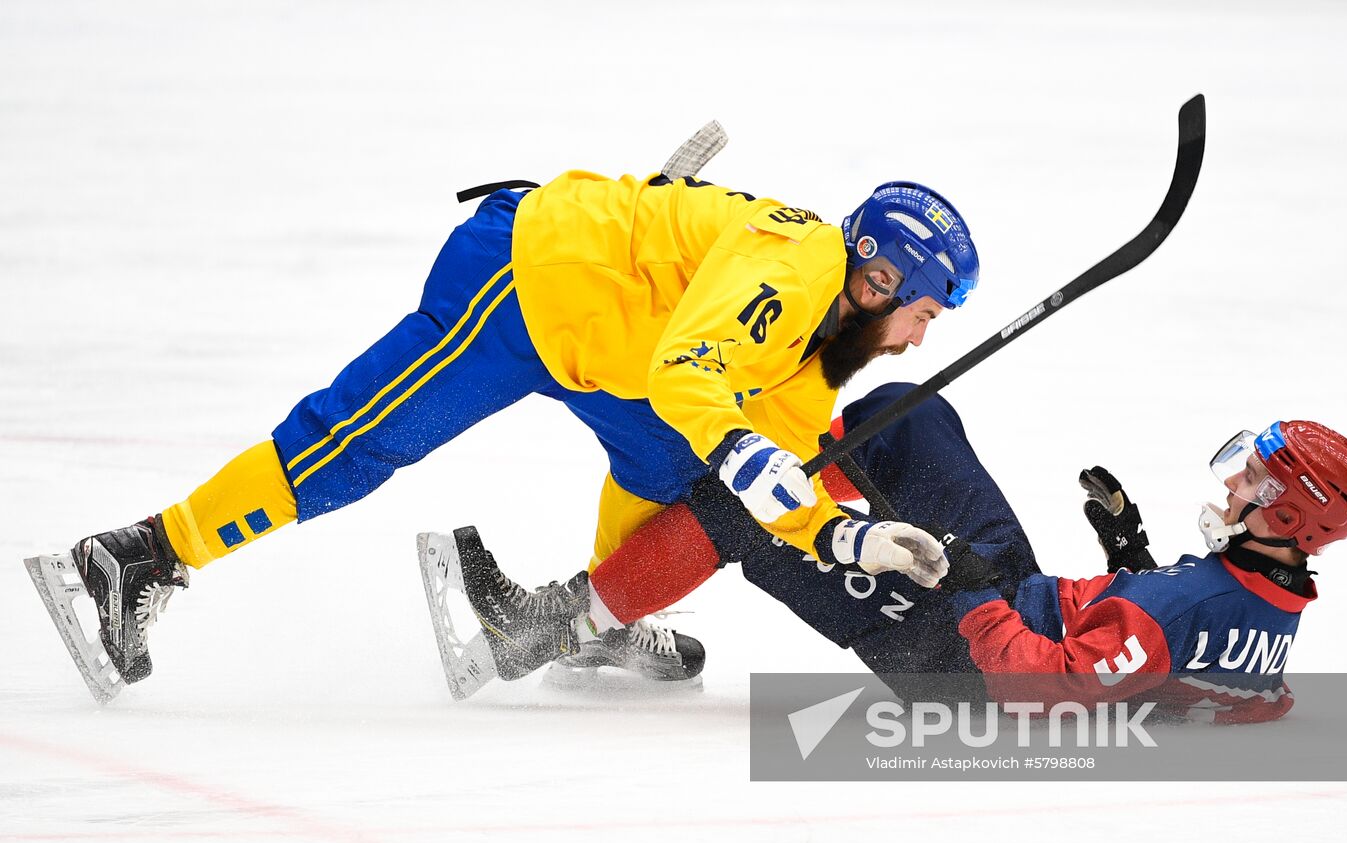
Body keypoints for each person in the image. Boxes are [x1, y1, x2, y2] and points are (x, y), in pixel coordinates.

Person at [28, 167, 982, 700]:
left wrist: (847, 535)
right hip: (529, 282)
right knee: (352, 446)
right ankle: (144, 556)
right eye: (925, 312)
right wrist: (744, 452)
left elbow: (753, 463)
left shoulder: (822, 347)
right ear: (879, 278)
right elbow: (690, 370)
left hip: (610, 348)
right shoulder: (795, 267)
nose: (918, 336)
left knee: (669, 455)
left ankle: (591, 621)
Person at [469, 384, 1347, 721]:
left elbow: (1031, 691)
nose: (1231, 488)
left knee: (737, 511)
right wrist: (1131, 560)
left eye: (1254, 485)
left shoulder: (1191, 609)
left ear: (1292, 519)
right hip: (1022, 600)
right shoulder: (1260, 603)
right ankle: (789, 463)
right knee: (910, 412)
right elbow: (1218, 685)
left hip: (956, 661)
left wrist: (972, 595)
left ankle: (558, 627)